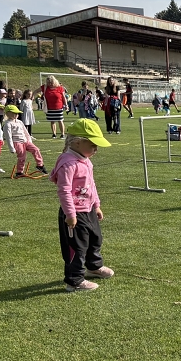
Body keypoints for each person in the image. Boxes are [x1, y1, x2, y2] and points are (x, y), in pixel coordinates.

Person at [49, 119, 113, 292]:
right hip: (74, 213)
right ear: (77, 142)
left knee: (95, 239)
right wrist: (70, 215)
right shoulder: (68, 163)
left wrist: (96, 205)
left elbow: (91, 185)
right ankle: (74, 280)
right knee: (77, 247)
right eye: (93, 145)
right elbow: (64, 191)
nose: (96, 149)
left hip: (88, 209)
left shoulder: (84, 160)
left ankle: (94, 267)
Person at [2, 105, 47, 177]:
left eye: (17, 113)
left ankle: (40, 165)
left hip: (25, 141)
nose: (16, 115)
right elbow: (8, 137)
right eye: (14, 113)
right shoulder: (8, 124)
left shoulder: (19, 122)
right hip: (17, 142)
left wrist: (29, 141)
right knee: (22, 157)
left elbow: (26, 132)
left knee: (36, 150)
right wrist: (11, 148)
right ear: (8, 113)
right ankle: (19, 172)